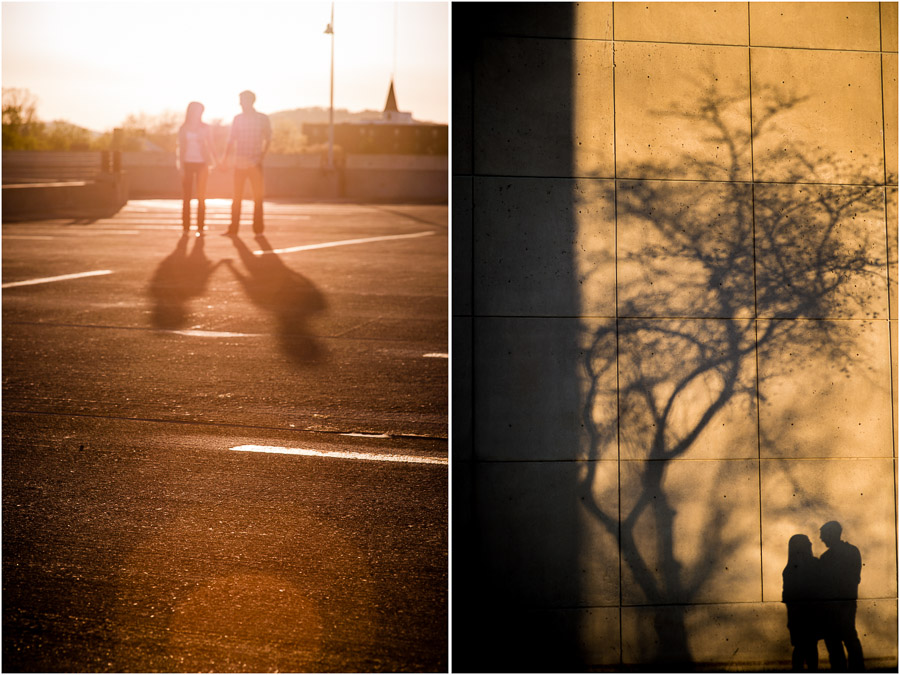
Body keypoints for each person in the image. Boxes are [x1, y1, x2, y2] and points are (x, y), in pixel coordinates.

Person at [221, 90, 271, 236]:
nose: (240, 103)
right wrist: (225, 158)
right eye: (240, 100)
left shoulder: (262, 118)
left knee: (257, 197)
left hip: (255, 163)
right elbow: (231, 140)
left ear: (250, 101)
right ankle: (233, 229)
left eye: (242, 100)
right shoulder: (238, 119)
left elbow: (268, 137)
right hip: (240, 163)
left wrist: (262, 155)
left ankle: (258, 229)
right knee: (236, 197)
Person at [819, 521, 864, 671]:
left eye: (823, 535)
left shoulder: (826, 558)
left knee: (836, 642)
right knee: (849, 638)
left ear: (830, 535)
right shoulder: (852, 551)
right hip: (847, 602)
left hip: (835, 605)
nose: (821, 538)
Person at [782, 534, 822, 671]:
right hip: (808, 615)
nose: (811, 545)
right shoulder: (815, 565)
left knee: (802, 648)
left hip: (798, 617)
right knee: (809, 648)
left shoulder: (789, 570)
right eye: (808, 543)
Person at [176, 102, 217, 233]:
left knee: (201, 196)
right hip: (187, 163)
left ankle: (200, 226)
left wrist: (216, 162)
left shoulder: (205, 127)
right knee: (186, 197)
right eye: (197, 110)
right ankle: (186, 227)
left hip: (202, 164)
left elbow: (211, 145)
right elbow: (181, 149)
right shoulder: (184, 128)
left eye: (201, 111)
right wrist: (181, 166)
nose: (199, 113)